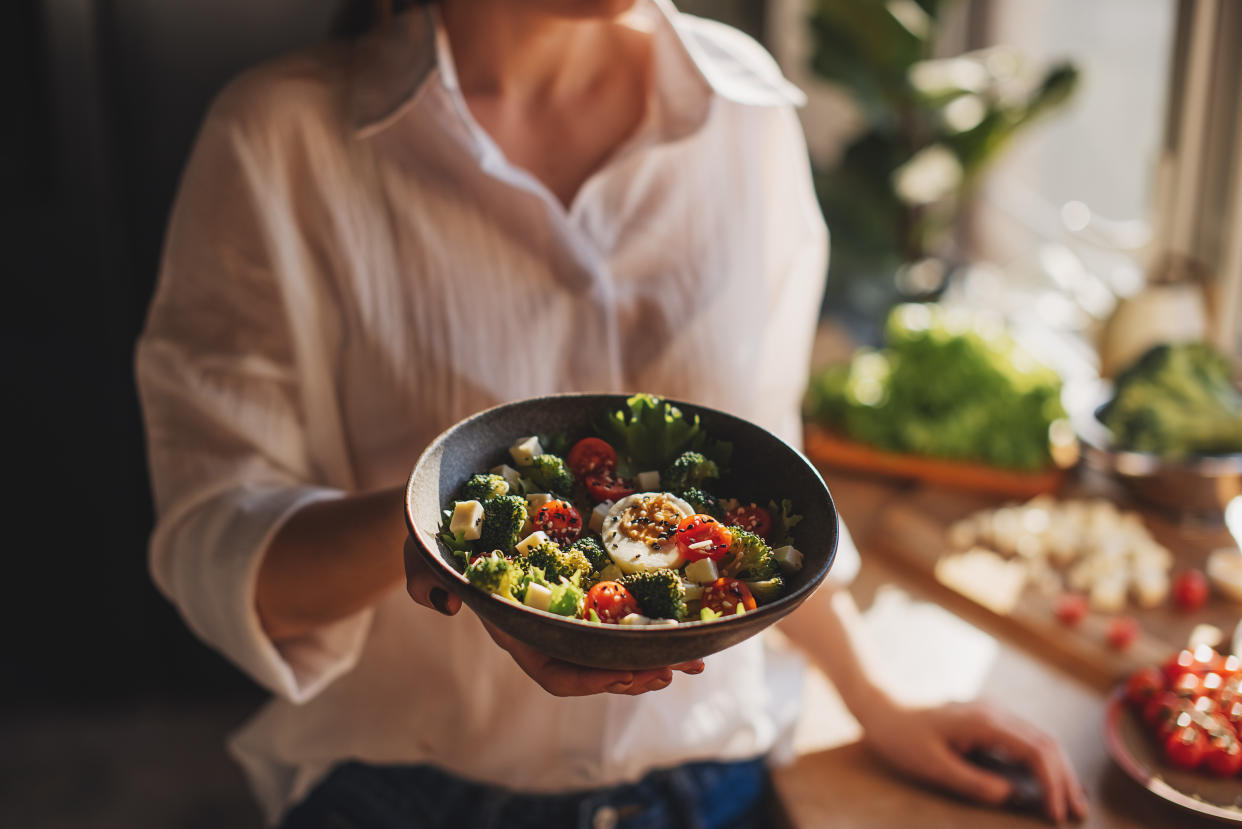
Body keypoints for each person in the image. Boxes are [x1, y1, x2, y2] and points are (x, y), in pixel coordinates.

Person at [136, 0, 1089, 826]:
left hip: (711, 786)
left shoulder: (745, 111)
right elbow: (220, 547)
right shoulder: (279, 137)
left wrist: (878, 698)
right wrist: (442, 540)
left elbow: (763, 469)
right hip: (404, 795)